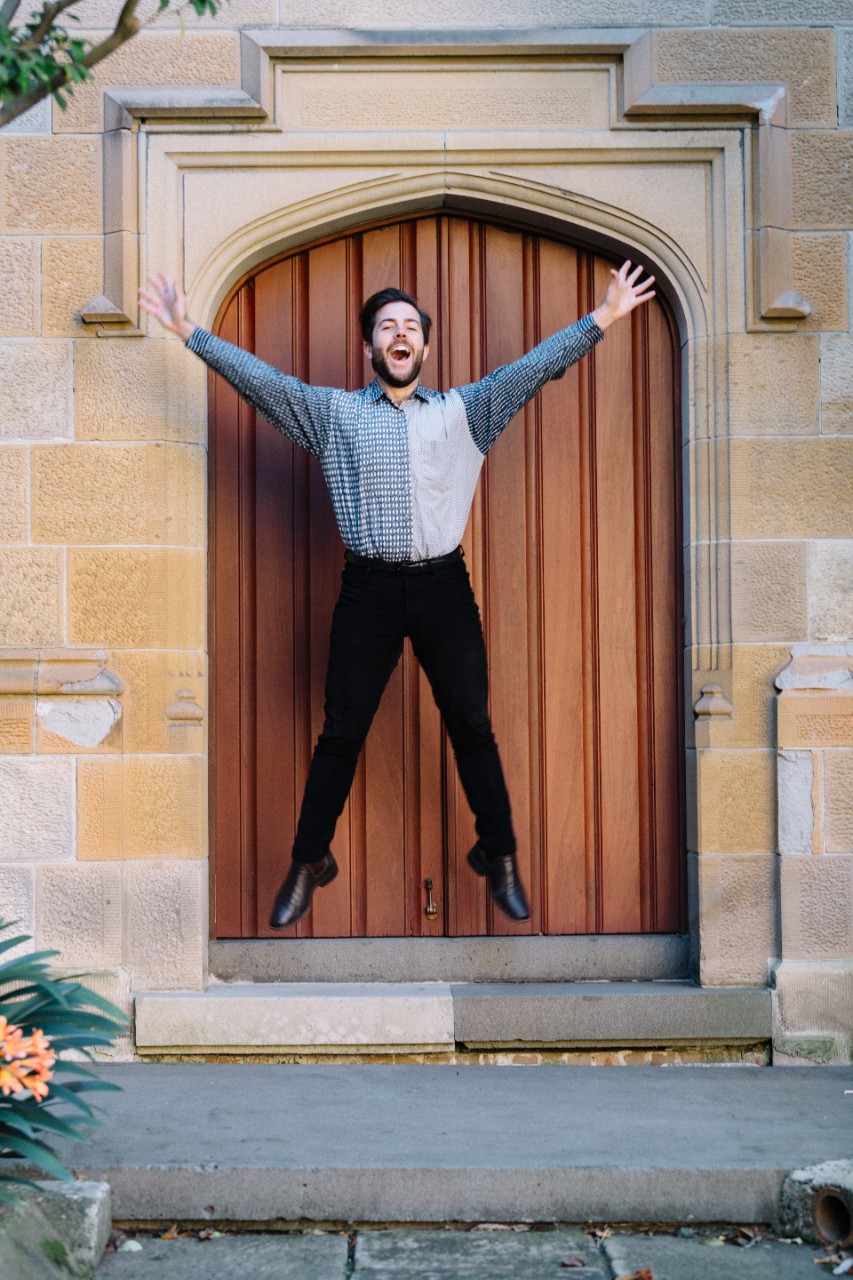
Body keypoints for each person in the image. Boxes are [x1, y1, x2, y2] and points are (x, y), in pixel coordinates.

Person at [139, 258, 655, 930]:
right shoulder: (334, 415)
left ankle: (498, 853)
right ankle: (308, 861)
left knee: (470, 720)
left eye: (410, 325)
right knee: (341, 730)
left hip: (443, 588)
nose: (400, 333)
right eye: (387, 326)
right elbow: (263, 383)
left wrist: (604, 317)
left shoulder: (465, 411)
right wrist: (189, 331)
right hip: (369, 591)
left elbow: (533, 369)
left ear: (425, 348)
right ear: (370, 348)